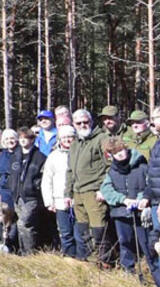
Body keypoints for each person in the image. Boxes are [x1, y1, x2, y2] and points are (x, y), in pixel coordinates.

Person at [99, 137, 150, 274]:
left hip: (140, 211)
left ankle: (154, 269)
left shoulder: (142, 166)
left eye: (121, 150)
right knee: (124, 242)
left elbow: (150, 185)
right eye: (115, 152)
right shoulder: (111, 171)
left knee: (146, 242)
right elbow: (106, 190)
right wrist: (123, 199)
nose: (120, 154)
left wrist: (140, 199)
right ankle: (128, 269)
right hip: (121, 212)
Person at [68, 108, 109, 263]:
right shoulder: (75, 144)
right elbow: (70, 170)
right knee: (83, 229)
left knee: (98, 229)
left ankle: (104, 261)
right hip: (77, 192)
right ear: (74, 124)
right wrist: (68, 193)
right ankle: (90, 259)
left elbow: (110, 166)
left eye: (86, 122)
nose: (83, 125)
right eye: (79, 123)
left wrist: (104, 189)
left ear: (91, 122)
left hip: (94, 191)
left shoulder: (102, 139)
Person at [6, 127, 47, 254]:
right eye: (21, 138)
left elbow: (43, 176)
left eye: (27, 138)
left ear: (32, 139)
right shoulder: (15, 156)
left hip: (31, 197)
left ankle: (30, 253)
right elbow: (11, 175)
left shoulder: (40, 157)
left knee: (24, 224)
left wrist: (35, 186)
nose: (23, 141)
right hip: (17, 196)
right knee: (22, 226)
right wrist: (11, 187)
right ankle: (23, 251)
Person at [41, 125, 76, 256]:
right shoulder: (53, 156)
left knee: (80, 233)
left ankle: (82, 260)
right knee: (65, 233)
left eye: (70, 137)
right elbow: (47, 180)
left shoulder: (79, 152)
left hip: (78, 200)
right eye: (64, 137)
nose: (67, 140)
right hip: (60, 201)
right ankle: (69, 259)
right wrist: (49, 201)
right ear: (59, 139)